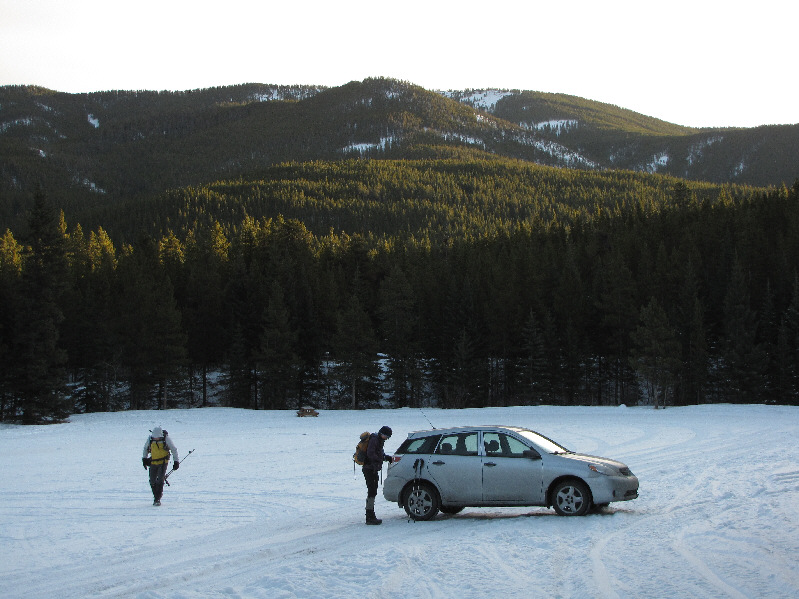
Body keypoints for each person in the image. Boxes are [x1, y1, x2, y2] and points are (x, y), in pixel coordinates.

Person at [363, 425, 393, 525]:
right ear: (382, 434)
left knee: (373, 491)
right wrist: (380, 459)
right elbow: (371, 454)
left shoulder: (379, 440)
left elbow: (378, 453)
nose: (387, 438)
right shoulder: (374, 440)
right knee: (372, 491)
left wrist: (386, 457)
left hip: (372, 469)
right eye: (386, 436)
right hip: (369, 469)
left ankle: (370, 515)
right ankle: (369, 516)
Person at [142, 426, 179, 506]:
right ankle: (156, 496)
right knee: (152, 481)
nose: (156, 439)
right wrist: (144, 459)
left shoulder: (166, 439)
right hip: (153, 462)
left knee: (160, 480)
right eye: (155, 438)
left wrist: (176, 461)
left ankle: (157, 499)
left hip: (163, 462)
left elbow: (174, 449)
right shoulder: (150, 439)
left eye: (157, 438)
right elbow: (145, 448)